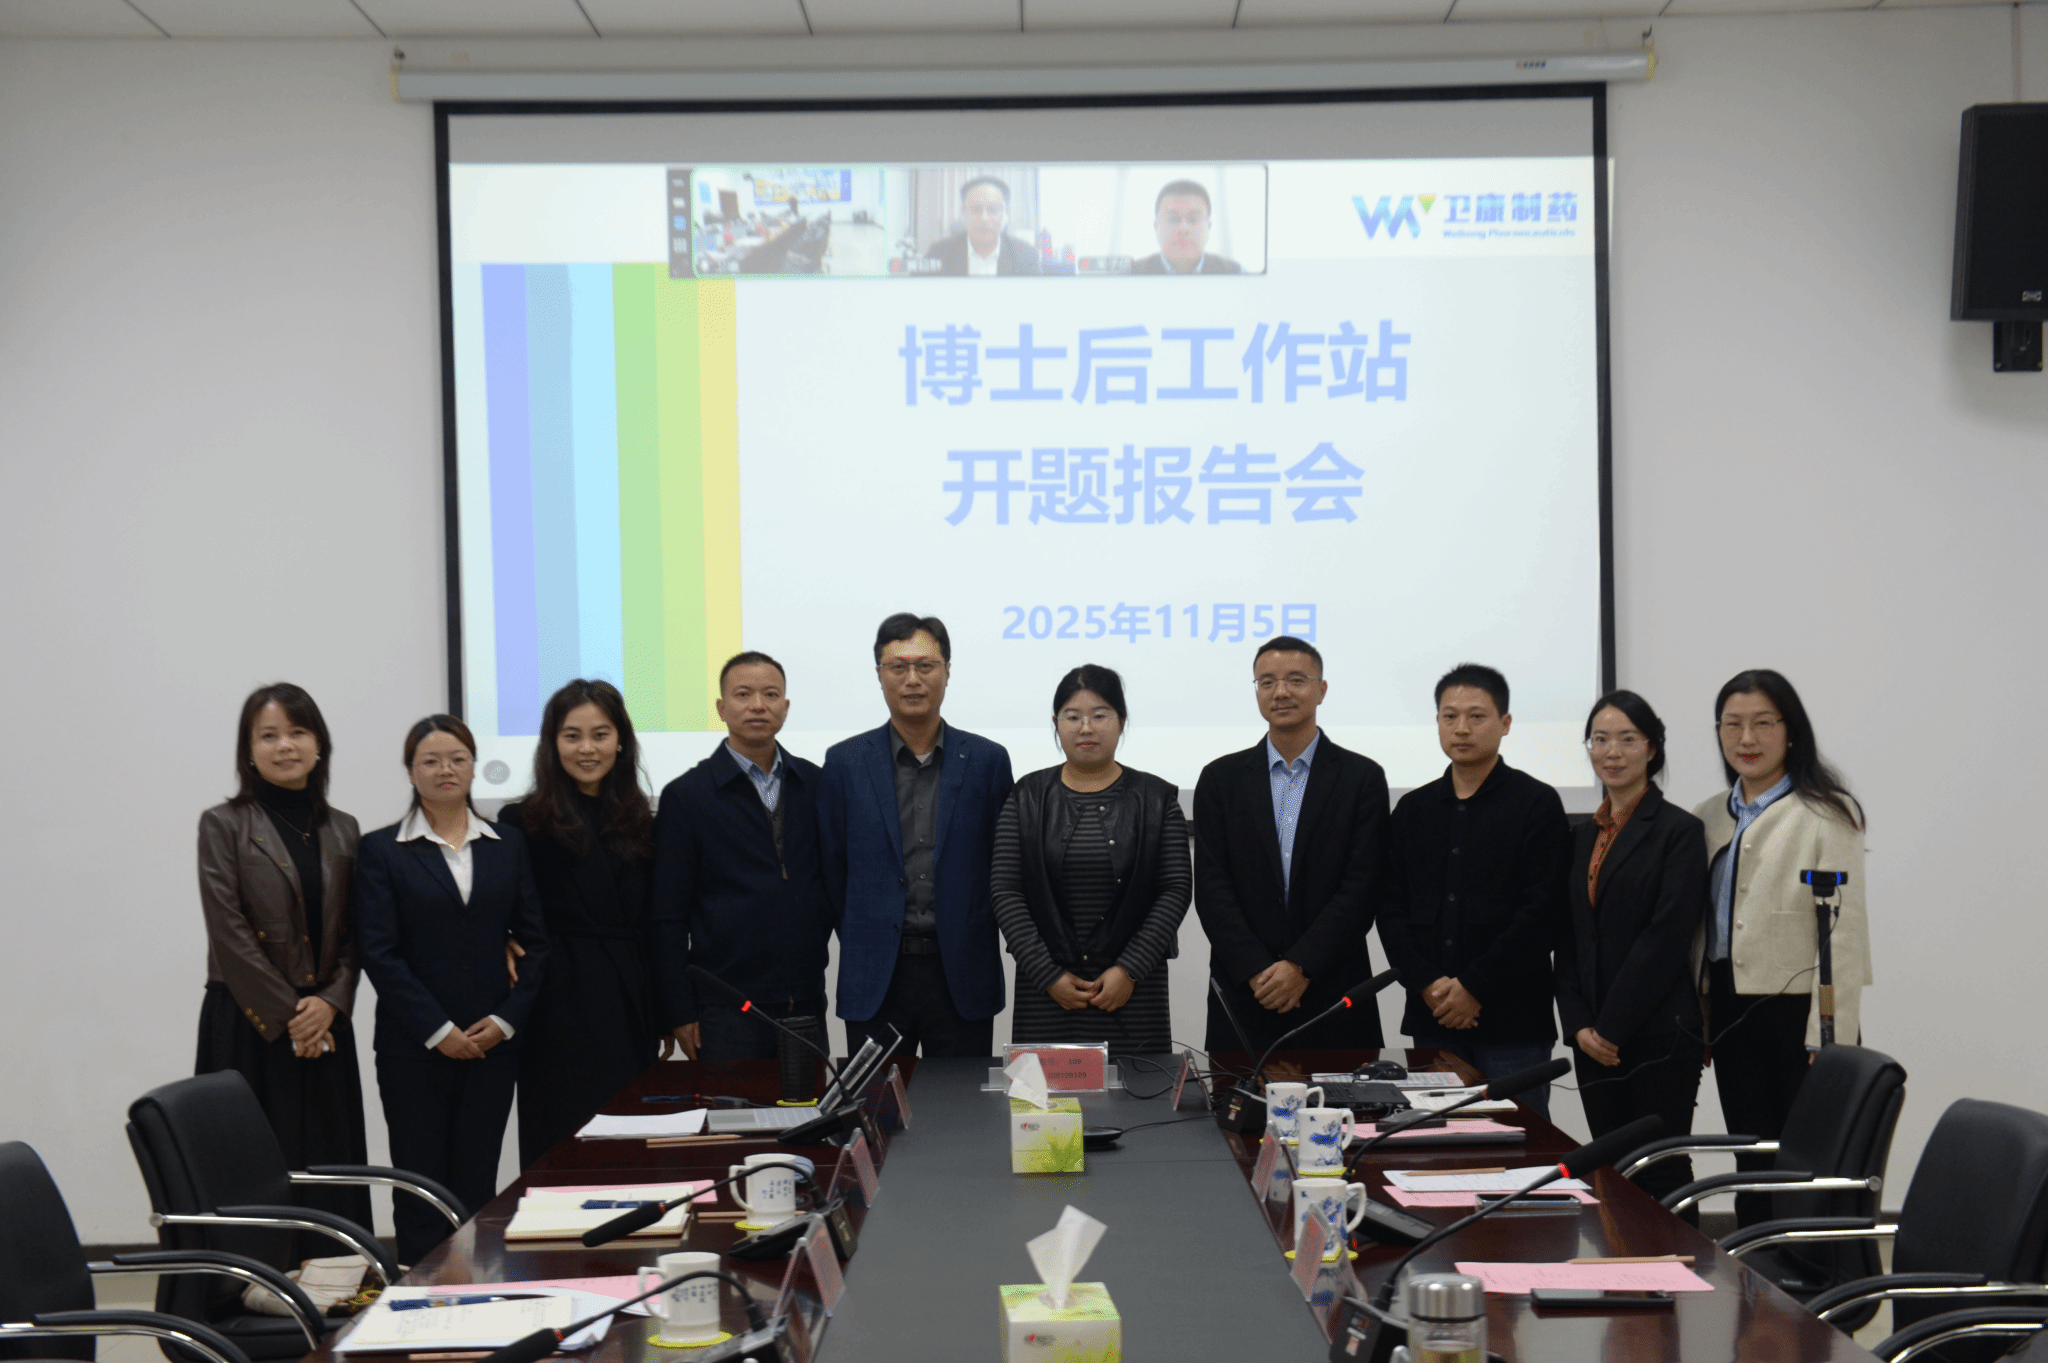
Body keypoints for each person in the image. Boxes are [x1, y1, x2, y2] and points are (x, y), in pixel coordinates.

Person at [354, 714, 549, 1265]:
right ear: (410, 771)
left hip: (492, 1045)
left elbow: (535, 943)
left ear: (473, 765)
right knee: (419, 1183)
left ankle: (475, 1288)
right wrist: (438, 1030)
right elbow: (379, 953)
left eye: (458, 758)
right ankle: (419, 1295)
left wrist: (506, 1021)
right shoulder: (382, 850)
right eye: (431, 761)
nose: (446, 769)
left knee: (477, 1181)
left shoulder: (507, 844)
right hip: (413, 1048)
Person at [194, 683, 371, 1250]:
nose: (284, 746)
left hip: (325, 1020)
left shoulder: (344, 828)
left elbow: (356, 934)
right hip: (250, 1020)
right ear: (248, 751)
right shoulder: (223, 824)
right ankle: (250, 1283)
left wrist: (330, 1003)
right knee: (251, 1168)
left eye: (297, 732)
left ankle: (337, 1280)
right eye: (268, 735)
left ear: (319, 745)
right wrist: (292, 1015)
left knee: (328, 1166)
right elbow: (228, 931)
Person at [1695, 668, 1870, 1227]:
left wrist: (1830, 1034)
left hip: (1800, 1014)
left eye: (1763, 723)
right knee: (1751, 1157)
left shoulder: (1826, 812)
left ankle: (1812, 1273)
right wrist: (1702, 1017)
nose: (1747, 739)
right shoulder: (1707, 816)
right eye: (1732, 725)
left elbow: (1843, 933)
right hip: (1731, 1009)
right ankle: (1754, 1265)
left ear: (1790, 731)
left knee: (1808, 1163)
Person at [818, 613, 1015, 1057]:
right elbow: (832, 868)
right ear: (879, 675)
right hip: (876, 973)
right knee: (878, 1099)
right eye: (898, 667)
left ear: (947, 672)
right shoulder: (845, 762)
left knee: (961, 1099)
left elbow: (1002, 864)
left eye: (926, 666)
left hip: (961, 970)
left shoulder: (987, 760)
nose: (912, 679)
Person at [1380, 664, 1570, 1119]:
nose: (1461, 728)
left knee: (1521, 1145)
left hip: (1513, 1023)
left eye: (1477, 716)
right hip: (1433, 1017)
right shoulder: (1413, 809)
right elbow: (1389, 909)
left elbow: (1542, 913)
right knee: (1437, 1142)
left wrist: (1474, 987)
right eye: (1450, 716)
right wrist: (1426, 984)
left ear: (1505, 723)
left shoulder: (1537, 804)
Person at [1193, 636, 1389, 1056]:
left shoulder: (1361, 778)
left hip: (1331, 990)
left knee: (1344, 1100)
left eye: (1296, 680)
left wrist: (1301, 966)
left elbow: (1362, 887)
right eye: (1267, 682)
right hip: (1246, 992)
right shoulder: (1220, 779)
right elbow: (1212, 888)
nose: (1280, 692)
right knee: (1236, 1099)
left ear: (1321, 689)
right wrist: (1256, 969)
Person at [1553, 690, 1709, 1207]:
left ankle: (1679, 1263)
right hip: (1592, 1036)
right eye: (1600, 740)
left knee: (1661, 1168)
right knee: (1612, 1172)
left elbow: (1666, 938)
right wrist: (1579, 1024)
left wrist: (1610, 1028)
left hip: (1658, 1033)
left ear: (1652, 748)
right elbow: (1569, 936)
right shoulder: (1580, 836)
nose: (1612, 752)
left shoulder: (1679, 831)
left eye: (1627, 739)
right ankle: (1621, 1261)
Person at [497, 680, 660, 1168]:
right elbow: (500, 905)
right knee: (558, 1142)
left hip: (629, 998)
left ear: (621, 741)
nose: (587, 748)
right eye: (572, 736)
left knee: (630, 1141)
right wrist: (500, 939)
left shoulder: (643, 820)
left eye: (600, 734)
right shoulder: (521, 820)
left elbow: (657, 922)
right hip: (555, 1000)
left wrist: (662, 1009)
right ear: (552, 744)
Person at [992, 665, 1191, 1054]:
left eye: (1100, 715)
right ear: (1056, 723)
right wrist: (1047, 973)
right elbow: (1005, 890)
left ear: (1121, 721)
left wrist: (1129, 969)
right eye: (1072, 717)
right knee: (1046, 1092)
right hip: (1046, 990)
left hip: (1133, 990)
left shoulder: (1157, 799)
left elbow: (1175, 889)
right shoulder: (1026, 796)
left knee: (1141, 1090)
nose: (1086, 728)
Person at [652, 651, 834, 1060]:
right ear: (721, 708)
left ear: (785, 706)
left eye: (770, 694)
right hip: (726, 1006)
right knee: (732, 1105)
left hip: (804, 998)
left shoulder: (815, 784)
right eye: (743, 694)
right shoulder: (688, 796)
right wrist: (678, 1009)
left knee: (812, 1103)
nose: (757, 705)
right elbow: (667, 916)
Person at [925, 176, 1041, 277]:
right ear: (963, 212)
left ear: (1006, 212)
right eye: (976, 209)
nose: (984, 218)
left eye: (993, 209)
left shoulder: (1026, 255)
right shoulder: (938, 253)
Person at [1130, 179, 1243, 276]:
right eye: (1173, 219)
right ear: (1156, 226)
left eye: (1193, 219)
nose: (1183, 229)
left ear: (1208, 227)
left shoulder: (1236, 274)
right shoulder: (1131, 275)